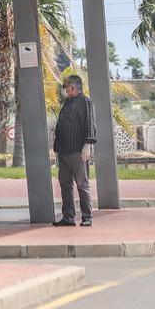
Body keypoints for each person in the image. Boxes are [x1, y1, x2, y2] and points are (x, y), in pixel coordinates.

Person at [52, 75, 96, 227]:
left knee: (82, 185)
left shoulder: (85, 102)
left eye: (66, 87)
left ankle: (87, 217)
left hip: (78, 151)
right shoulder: (67, 102)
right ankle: (68, 217)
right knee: (65, 185)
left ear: (74, 87)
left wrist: (87, 145)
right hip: (63, 150)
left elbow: (90, 124)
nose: (64, 90)